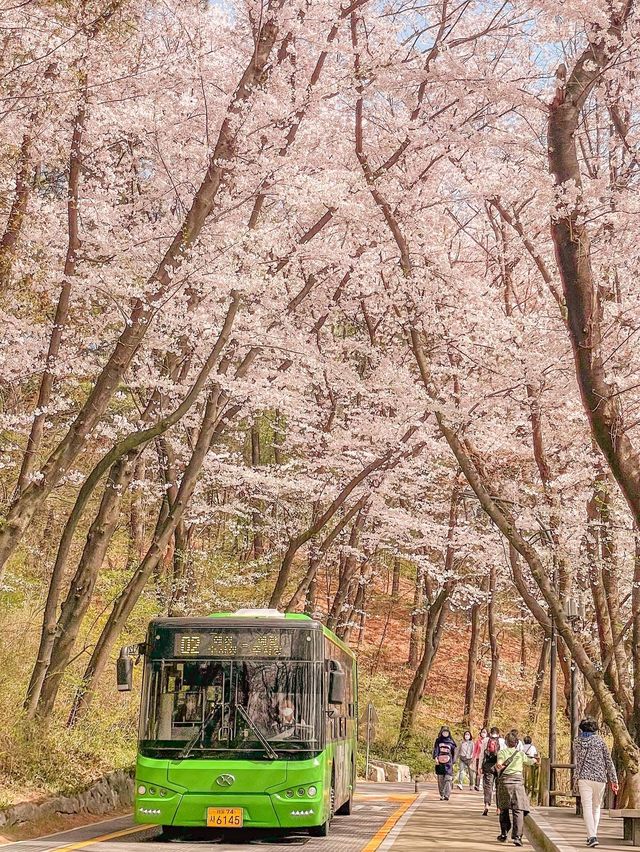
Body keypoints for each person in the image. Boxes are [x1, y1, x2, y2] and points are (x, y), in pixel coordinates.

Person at [573, 717, 618, 848]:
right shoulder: (600, 741)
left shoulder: (576, 742)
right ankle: (592, 835)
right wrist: (614, 780)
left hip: (583, 777)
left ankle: (591, 836)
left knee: (586, 807)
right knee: (596, 807)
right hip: (600, 778)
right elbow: (608, 762)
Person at [496, 729, 539, 847]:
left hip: (505, 782)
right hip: (517, 782)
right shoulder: (520, 754)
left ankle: (504, 833)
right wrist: (535, 760)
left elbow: (499, 763)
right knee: (518, 809)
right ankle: (517, 837)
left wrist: (500, 764)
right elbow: (530, 761)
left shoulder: (502, 752)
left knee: (504, 808)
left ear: (506, 742)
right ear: (516, 743)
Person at [480, 726, 505, 815]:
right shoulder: (502, 741)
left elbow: (481, 755)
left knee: (488, 786)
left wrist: (480, 767)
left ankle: (486, 805)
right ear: (498, 733)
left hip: (488, 766)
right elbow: (504, 755)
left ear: (490, 733)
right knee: (499, 787)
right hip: (499, 766)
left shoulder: (485, 741)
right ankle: (498, 808)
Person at [433, 726, 457, 800]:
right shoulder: (438, 741)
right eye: (444, 732)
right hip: (440, 763)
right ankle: (442, 794)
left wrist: (453, 761)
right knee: (440, 779)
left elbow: (454, 752)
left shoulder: (451, 742)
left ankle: (447, 795)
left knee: (448, 779)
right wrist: (436, 758)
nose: (445, 733)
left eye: (446, 732)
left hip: (448, 763)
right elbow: (436, 750)